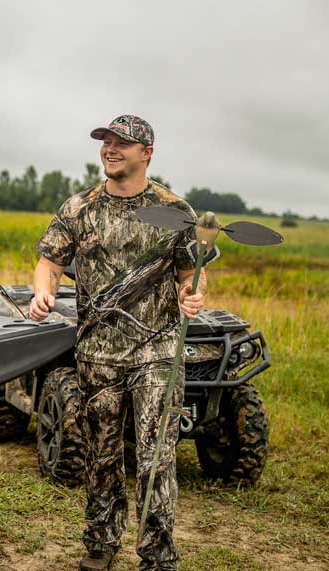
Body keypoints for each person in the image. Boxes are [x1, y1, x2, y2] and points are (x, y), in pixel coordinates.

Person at [30, 115, 204, 571]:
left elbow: (192, 275)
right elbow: (49, 261)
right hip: (97, 354)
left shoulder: (175, 211)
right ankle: (101, 545)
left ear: (146, 153)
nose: (110, 149)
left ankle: (158, 557)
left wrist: (193, 296)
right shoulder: (79, 207)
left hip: (158, 352)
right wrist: (43, 289)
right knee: (101, 456)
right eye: (106, 141)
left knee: (155, 459)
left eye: (122, 143)